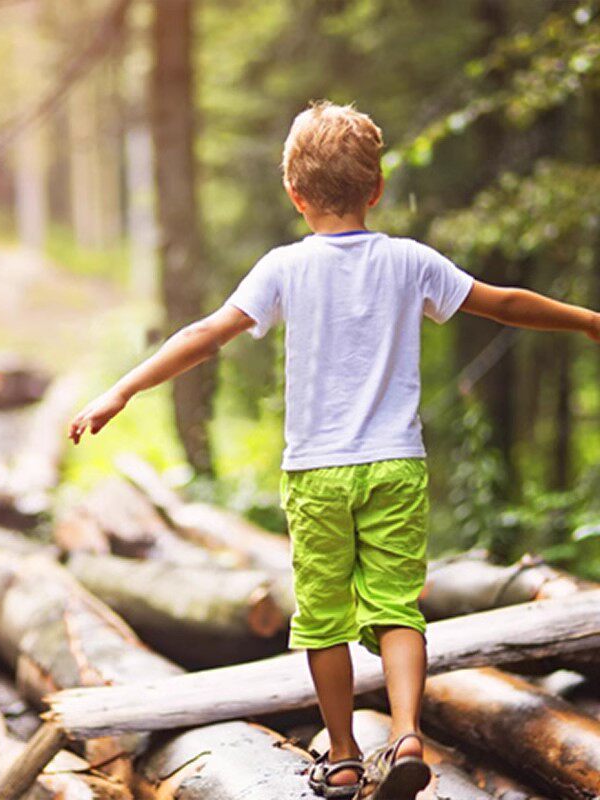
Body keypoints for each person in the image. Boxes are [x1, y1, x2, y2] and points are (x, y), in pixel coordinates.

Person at [69, 102, 600, 799]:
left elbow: (205, 333)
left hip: (317, 473)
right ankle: (408, 734)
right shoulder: (410, 261)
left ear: (295, 194)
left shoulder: (284, 269)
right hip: (394, 466)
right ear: (376, 189)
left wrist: (122, 390)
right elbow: (502, 302)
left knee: (322, 618)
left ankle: (346, 754)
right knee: (396, 610)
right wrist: (587, 320)